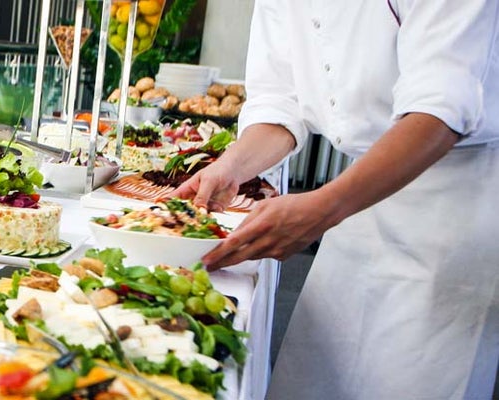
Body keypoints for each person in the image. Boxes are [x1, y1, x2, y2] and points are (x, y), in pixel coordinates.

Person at [170, 0, 499, 399]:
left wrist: (324, 207)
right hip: (360, 200)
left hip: (457, 207)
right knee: (315, 376)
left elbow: (439, 110)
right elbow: (279, 102)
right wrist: (232, 166)